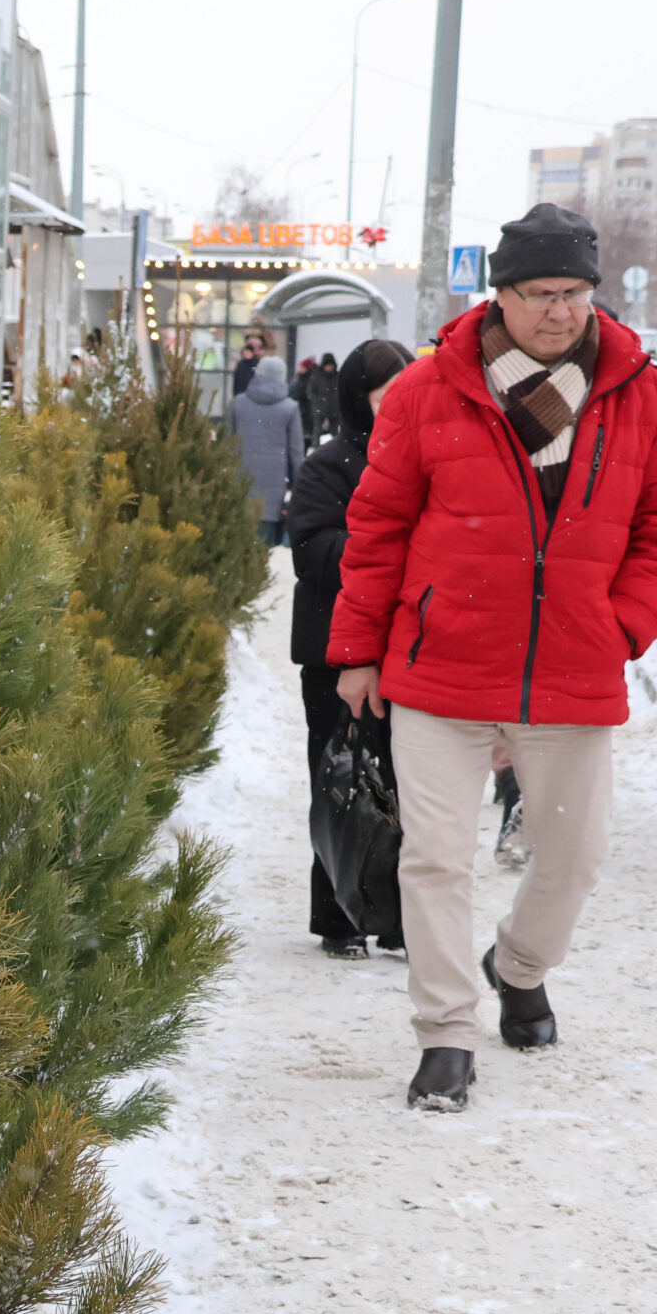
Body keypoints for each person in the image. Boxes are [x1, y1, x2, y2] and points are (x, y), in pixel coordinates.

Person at [328, 203, 657, 1112]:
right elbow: (377, 526)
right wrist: (358, 649)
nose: (559, 310)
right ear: (501, 295)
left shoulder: (644, 393)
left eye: (574, 292)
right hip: (441, 665)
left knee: (574, 856)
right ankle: (446, 1033)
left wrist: (621, 627)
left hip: (573, 667)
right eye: (540, 293)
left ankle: (520, 964)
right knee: (436, 857)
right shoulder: (429, 390)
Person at [286, 338, 416, 959]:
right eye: (386, 397)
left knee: (409, 787)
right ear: (359, 399)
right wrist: (380, 550)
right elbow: (309, 548)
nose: (397, 408)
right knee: (341, 781)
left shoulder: (422, 458)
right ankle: (337, 914)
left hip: (409, 650)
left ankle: (398, 918)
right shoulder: (329, 465)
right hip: (334, 652)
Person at [232, 354, 304, 547]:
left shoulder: (238, 404)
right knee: (264, 546)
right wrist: (299, 485)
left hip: (240, 484)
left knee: (239, 545)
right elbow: (296, 452)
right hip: (274, 488)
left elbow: (225, 445)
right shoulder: (290, 408)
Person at [232, 331, 267, 401]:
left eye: (248, 352)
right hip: (241, 392)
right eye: (245, 352)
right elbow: (236, 379)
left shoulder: (257, 364)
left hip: (253, 394)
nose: (247, 354)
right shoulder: (240, 364)